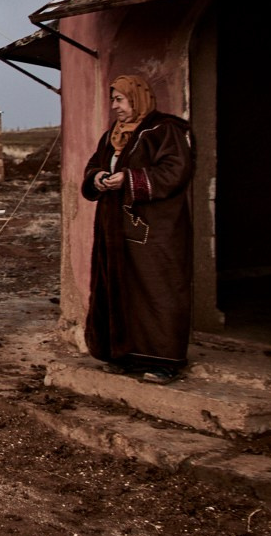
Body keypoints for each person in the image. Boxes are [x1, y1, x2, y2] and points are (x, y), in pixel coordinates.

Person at [81, 75, 195, 385]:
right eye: (113, 99)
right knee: (121, 289)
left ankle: (165, 360)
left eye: (120, 99)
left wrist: (130, 179)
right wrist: (99, 177)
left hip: (155, 230)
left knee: (159, 288)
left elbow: (175, 171)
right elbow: (93, 166)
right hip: (115, 230)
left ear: (138, 98)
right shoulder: (111, 137)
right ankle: (125, 354)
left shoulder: (165, 130)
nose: (114, 105)